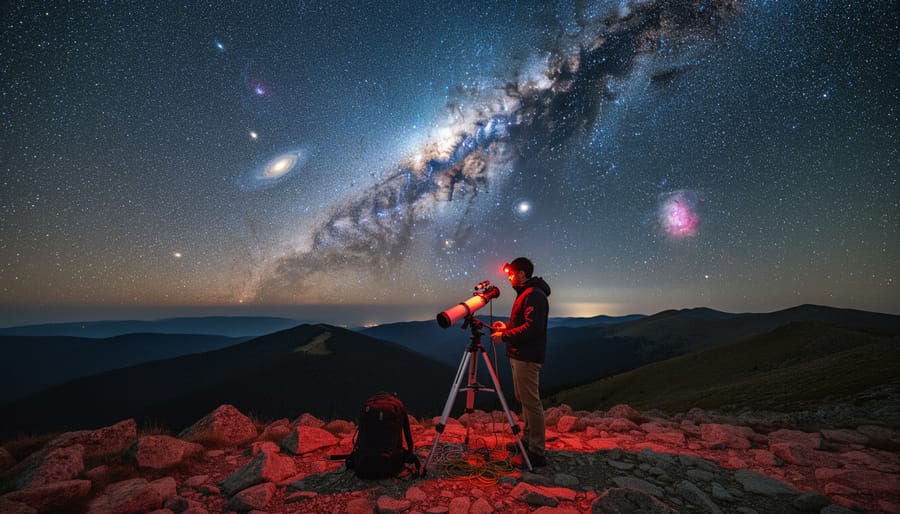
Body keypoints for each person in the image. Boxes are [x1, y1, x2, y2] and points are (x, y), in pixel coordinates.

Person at [490, 257, 551, 468]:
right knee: (523, 399)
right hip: (519, 354)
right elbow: (522, 324)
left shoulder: (534, 294)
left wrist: (504, 337)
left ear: (522, 273)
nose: (509, 277)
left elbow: (533, 328)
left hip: (527, 356)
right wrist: (505, 327)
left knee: (531, 403)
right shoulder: (527, 293)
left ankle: (536, 452)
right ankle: (526, 441)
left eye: (512, 273)